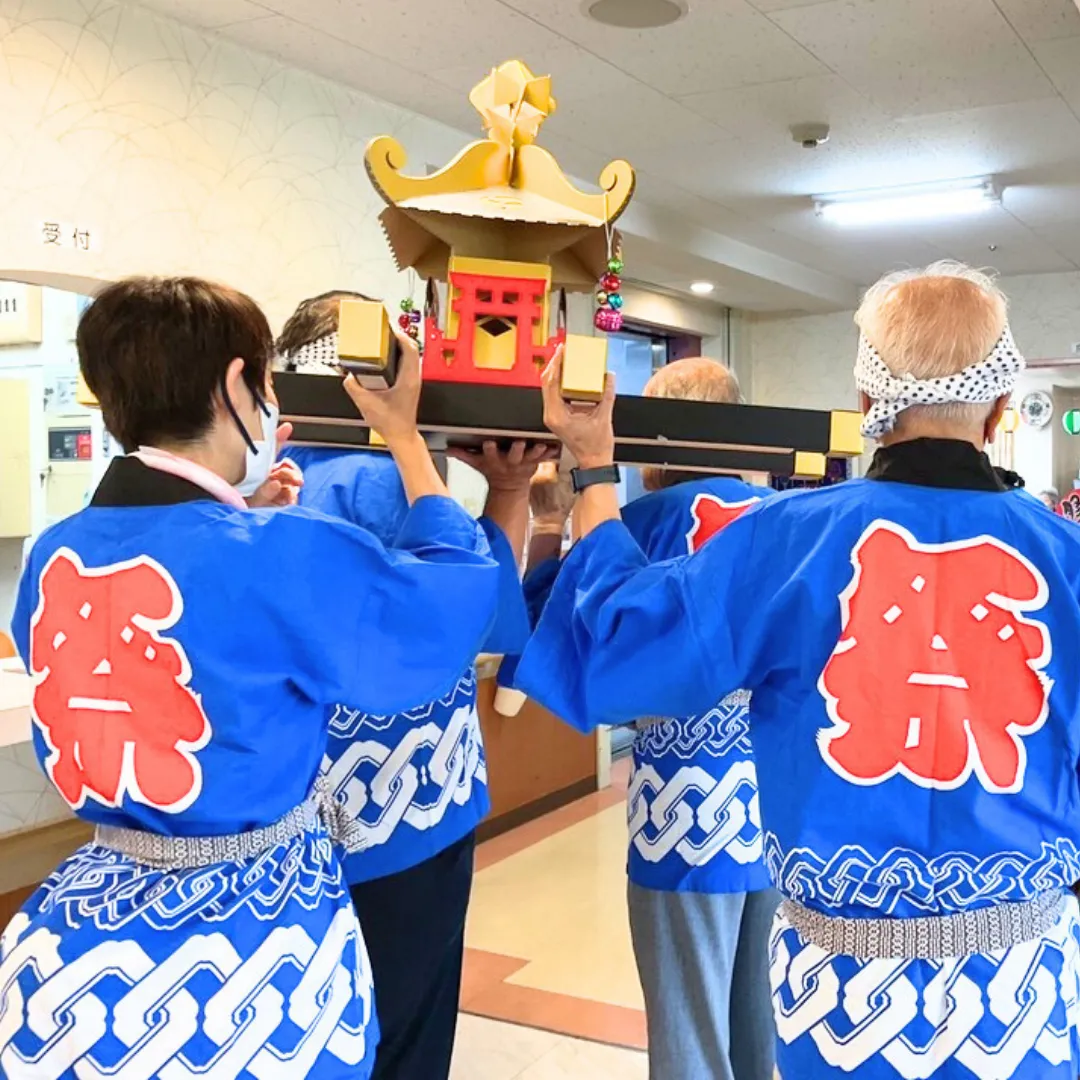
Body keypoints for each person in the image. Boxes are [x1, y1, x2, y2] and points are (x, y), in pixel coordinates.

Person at [514, 262, 1080, 1079]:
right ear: (998, 410)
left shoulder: (787, 539)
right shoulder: (1066, 558)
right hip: (1019, 998)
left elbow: (619, 641)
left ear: (866, 401)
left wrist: (593, 471)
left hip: (842, 999)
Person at [0, 277, 503, 1079]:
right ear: (236, 385)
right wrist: (407, 440)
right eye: (266, 384)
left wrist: (242, 512)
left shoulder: (54, 550)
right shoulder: (278, 547)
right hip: (253, 929)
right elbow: (450, 601)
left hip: (82, 934)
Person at [275, 290, 551, 1080]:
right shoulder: (385, 479)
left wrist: (501, 494)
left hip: (290, 810)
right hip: (405, 807)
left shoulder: (264, 482)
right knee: (405, 1031)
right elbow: (480, 615)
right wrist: (503, 488)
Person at [508, 358, 779, 1080]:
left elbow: (541, 637)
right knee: (760, 1026)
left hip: (684, 821)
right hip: (779, 810)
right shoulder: (785, 527)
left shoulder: (633, 529)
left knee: (689, 1033)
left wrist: (547, 519)